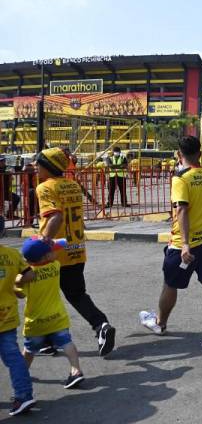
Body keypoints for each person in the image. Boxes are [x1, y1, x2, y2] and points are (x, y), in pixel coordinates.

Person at [139, 136, 202, 351]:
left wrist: (187, 244)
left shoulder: (181, 178)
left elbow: (181, 209)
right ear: (199, 153)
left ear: (179, 154)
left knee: (170, 284)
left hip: (183, 245)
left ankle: (160, 323)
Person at [34, 148, 116, 356]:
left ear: (49, 167)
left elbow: (55, 218)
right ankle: (99, 326)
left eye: (39, 163)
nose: (36, 166)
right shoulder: (71, 185)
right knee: (76, 294)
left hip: (54, 253)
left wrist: (43, 243)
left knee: (44, 295)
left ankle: (47, 339)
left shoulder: (45, 188)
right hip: (76, 248)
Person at [17, 238, 84, 390]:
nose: (56, 252)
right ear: (45, 257)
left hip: (36, 322)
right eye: (53, 251)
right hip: (57, 317)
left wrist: (17, 283)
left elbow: (20, 295)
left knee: (29, 350)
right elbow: (61, 248)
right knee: (67, 344)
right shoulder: (55, 266)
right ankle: (76, 370)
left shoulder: (28, 276)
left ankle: (20, 374)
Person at [0, 226, 36, 415]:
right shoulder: (12, 255)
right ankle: (24, 395)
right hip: (7, 314)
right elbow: (30, 274)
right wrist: (16, 281)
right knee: (14, 357)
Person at [0, 155, 22, 219]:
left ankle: (10, 214)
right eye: (1, 161)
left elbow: (10, 180)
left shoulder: (5, 169)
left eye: (3, 161)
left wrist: (9, 175)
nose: (3, 163)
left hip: (4, 191)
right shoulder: (4, 171)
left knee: (16, 198)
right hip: (1, 191)